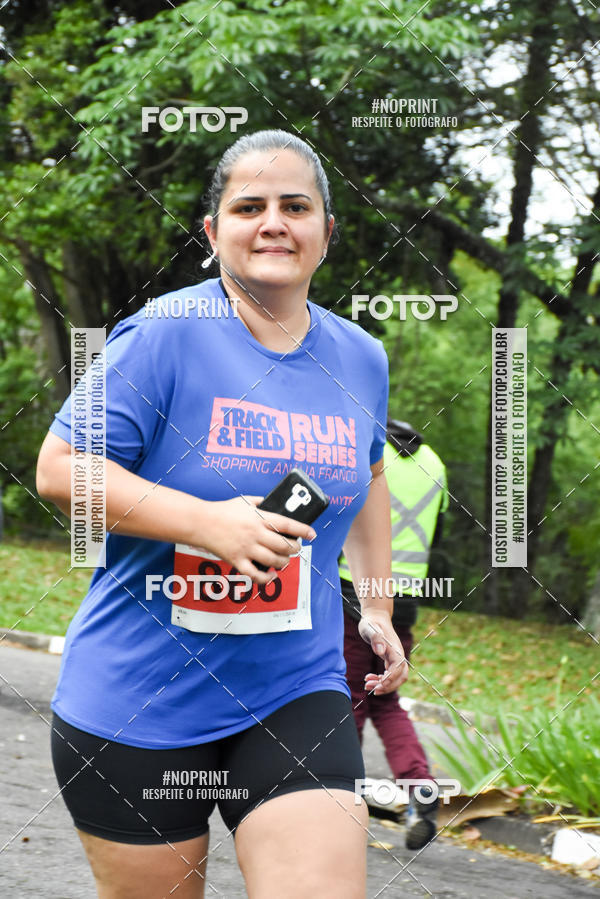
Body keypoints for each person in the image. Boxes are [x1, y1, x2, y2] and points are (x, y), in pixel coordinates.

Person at [36, 129, 409, 899]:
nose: (274, 221)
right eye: (250, 206)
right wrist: (212, 524)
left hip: (291, 689)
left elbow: (370, 474)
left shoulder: (360, 356)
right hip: (139, 700)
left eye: (296, 205)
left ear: (326, 232)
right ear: (214, 233)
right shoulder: (164, 334)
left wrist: (375, 605)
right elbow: (60, 471)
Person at [339, 420, 448, 850]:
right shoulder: (435, 464)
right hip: (402, 600)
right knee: (385, 696)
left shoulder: (364, 449)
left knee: (350, 696)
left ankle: (341, 798)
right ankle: (421, 788)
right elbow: (436, 535)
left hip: (356, 591)